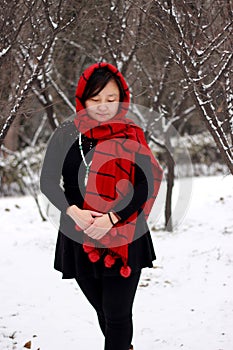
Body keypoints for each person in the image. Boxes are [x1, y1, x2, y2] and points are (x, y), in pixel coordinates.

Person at [40, 62, 163, 350]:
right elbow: (48, 181)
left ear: (122, 98)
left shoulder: (131, 133)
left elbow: (144, 185)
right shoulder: (67, 134)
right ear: (82, 100)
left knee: (118, 315)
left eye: (111, 99)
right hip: (78, 235)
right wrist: (73, 211)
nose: (103, 106)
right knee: (104, 312)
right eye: (95, 99)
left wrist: (113, 217)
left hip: (126, 233)